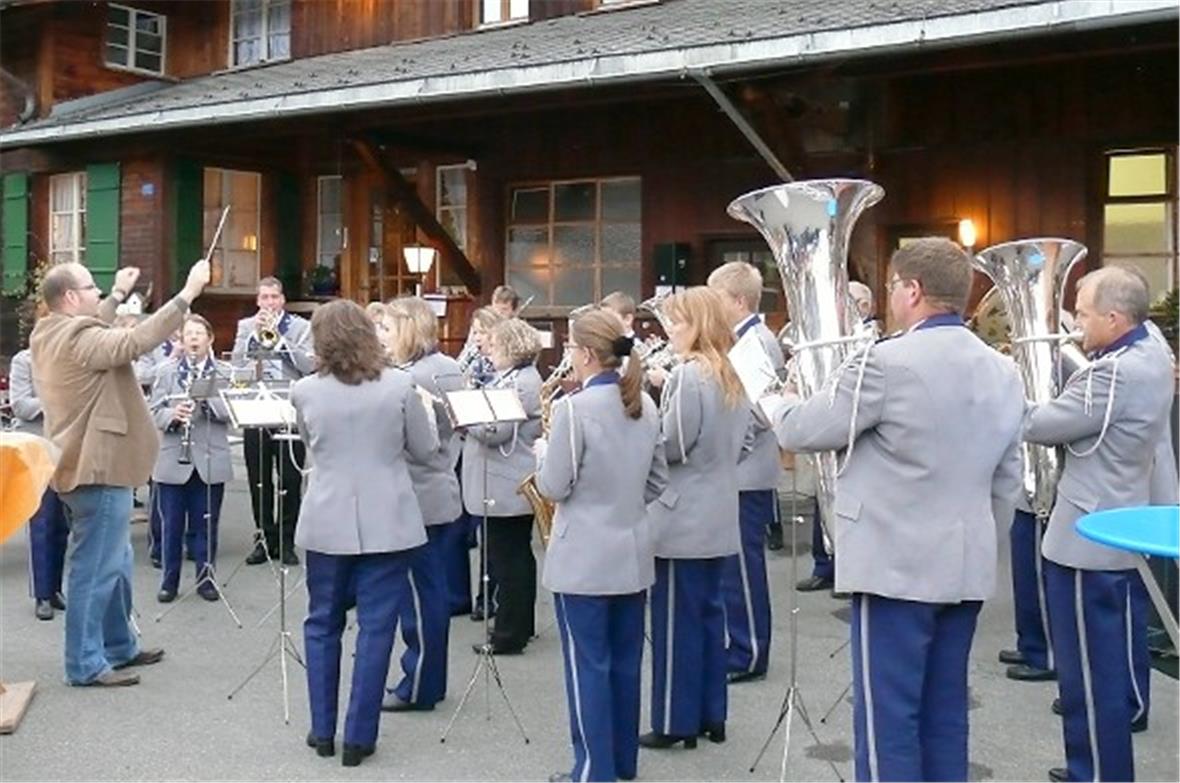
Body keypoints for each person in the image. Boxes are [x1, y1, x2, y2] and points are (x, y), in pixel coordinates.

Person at [768, 237, 1024, 781]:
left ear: (913, 290)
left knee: (888, 721)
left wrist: (776, 397)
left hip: (895, 570)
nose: (889, 297)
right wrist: (976, 537)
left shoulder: (885, 361)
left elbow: (802, 430)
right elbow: (1008, 480)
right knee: (946, 711)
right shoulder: (1004, 370)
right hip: (965, 563)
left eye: (890, 287)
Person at [30, 259, 213, 687]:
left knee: (115, 562)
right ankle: (85, 664)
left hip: (82, 464)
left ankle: (119, 646)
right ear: (72, 298)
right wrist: (187, 295)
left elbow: (96, 328)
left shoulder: (49, 330)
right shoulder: (80, 336)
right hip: (98, 466)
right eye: (92, 288)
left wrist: (115, 294)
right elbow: (132, 341)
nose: (99, 294)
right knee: (95, 569)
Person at [1024, 266, 1175, 783]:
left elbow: (1039, 424)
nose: (1076, 325)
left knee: (1088, 674)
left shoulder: (1114, 373)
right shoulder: (1151, 346)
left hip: (1087, 536)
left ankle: (1096, 773)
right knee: (1105, 666)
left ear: (1115, 318)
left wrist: (1008, 385)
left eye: (1084, 314)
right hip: (1119, 517)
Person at [293, 299, 437, 767]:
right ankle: (358, 737)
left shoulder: (305, 390)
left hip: (326, 515)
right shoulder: (400, 383)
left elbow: (311, 445)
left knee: (321, 624)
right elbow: (424, 449)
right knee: (376, 629)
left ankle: (321, 730)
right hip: (388, 517)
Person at [534, 308, 668, 782]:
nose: (568, 356)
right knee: (625, 665)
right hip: (631, 550)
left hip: (583, 557)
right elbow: (658, 480)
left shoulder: (574, 409)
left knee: (587, 667)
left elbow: (553, 485)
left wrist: (543, 452)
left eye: (571, 348)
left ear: (587, 354)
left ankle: (593, 770)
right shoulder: (646, 405)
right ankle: (621, 763)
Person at [641, 287, 746, 750]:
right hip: (720, 509)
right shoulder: (732, 373)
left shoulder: (689, 376)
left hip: (681, 515)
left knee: (674, 625)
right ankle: (711, 714)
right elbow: (743, 443)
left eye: (678, 323)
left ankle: (674, 720)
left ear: (698, 326)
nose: (671, 331)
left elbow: (673, 446)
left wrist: (640, 438)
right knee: (708, 618)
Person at [379, 296, 466, 712]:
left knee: (417, 599)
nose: (383, 338)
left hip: (415, 492)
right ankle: (431, 680)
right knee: (432, 592)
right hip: (442, 487)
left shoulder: (409, 378)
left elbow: (408, 441)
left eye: (389, 330)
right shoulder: (451, 368)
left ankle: (419, 684)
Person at [706, 261, 783, 681]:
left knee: (743, 570)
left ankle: (750, 651)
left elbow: (760, 412)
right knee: (732, 569)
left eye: (717, 298)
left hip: (747, 471)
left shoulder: (755, 341)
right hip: (739, 468)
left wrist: (727, 450)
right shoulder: (742, 337)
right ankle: (737, 643)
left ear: (737, 300)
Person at [460, 317, 543, 655]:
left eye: (494, 346)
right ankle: (520, 622)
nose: (488, 352)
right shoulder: (514, 377)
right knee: (515, 556)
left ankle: (510, 632)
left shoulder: (521, 382)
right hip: (504, 476)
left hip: (505, 478)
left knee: (507, 559)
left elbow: (499, 431)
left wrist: (464, 419)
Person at [148, 314, 233, 603]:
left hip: (210, 457)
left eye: (199, 333)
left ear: (210, 338)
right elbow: (152, 411)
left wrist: (206, 400)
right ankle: (169, 582)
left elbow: (231, 412)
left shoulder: (224, 371)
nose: (194, 338)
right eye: (189, 334)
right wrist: (173, 415)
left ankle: (206, 579)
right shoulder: (166, 371)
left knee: (207, 523)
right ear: (181, 341)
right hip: (174, 457)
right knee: (171, 525)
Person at [231, 276, 315, 566]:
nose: (268, 303)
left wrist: (280, 341)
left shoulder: (300, 328)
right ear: (257, 301)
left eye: (273, 297)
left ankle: (287, 539)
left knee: (290, 478)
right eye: (264, 298)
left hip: (289, 410)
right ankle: (264, 539)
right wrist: (254, 338)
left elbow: (309, 366)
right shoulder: (245, 326)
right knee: (259, 479)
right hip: (257, 409)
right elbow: (237, 368)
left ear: (282, 300)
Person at [9, 337, 69, 621]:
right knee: (42, 523)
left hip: (65, 449)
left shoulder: (66, 359)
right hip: (36, 449)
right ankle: (42, 594)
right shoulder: (24, 360)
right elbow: (20, 405)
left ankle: (56, 588)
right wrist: (55, 401)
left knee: (62, 525)